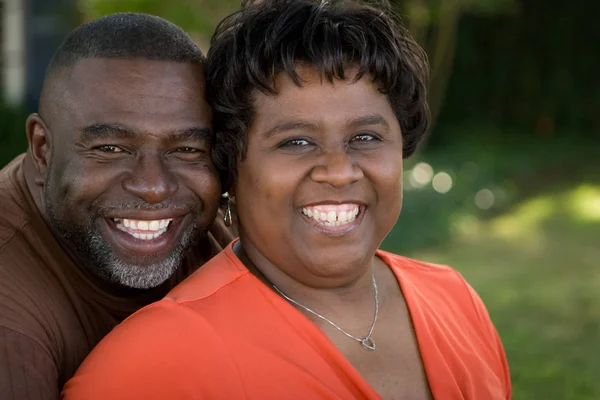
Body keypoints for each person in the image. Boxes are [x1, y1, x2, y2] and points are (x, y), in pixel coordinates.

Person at [62, 1, 511, 399]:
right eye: (296, 143)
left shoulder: (454, 298)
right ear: (231, 168)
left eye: (366, 137)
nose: (338, 171)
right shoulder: (153, 364)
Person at [0, 13, 234, 400]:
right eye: (111, 149)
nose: (154, 187)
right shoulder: (12, 324)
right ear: (43, 149)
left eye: (187, 149)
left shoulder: (211, 226)